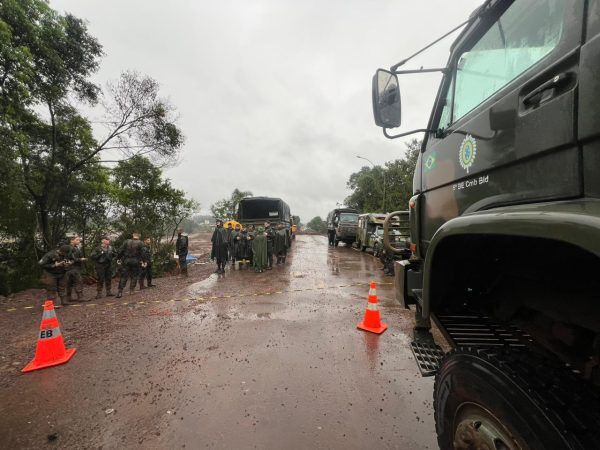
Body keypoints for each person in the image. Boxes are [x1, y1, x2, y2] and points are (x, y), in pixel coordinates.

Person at [116, 232, 145, 298]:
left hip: (126, 261)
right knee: (134, 275)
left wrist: (119, 258)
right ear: (139, 236)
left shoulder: (126, 242)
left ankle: (120, 291)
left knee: (124, 276)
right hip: (136, 261)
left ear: (133, 236)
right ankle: (131, 290)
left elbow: (120, 250)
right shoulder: (141, 243)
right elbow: (143, 253)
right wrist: (144, 261)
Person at [65, 235, 87, 302]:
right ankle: (80, 297)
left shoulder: (76, 247)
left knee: (70, 282)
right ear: (72, 240)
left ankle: (69, 297)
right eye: (77, 240)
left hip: (74, 267)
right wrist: (81, 259)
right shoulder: (69, 248)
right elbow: (71, 258)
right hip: (72, 268)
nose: (79, 241)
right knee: (78, 281)